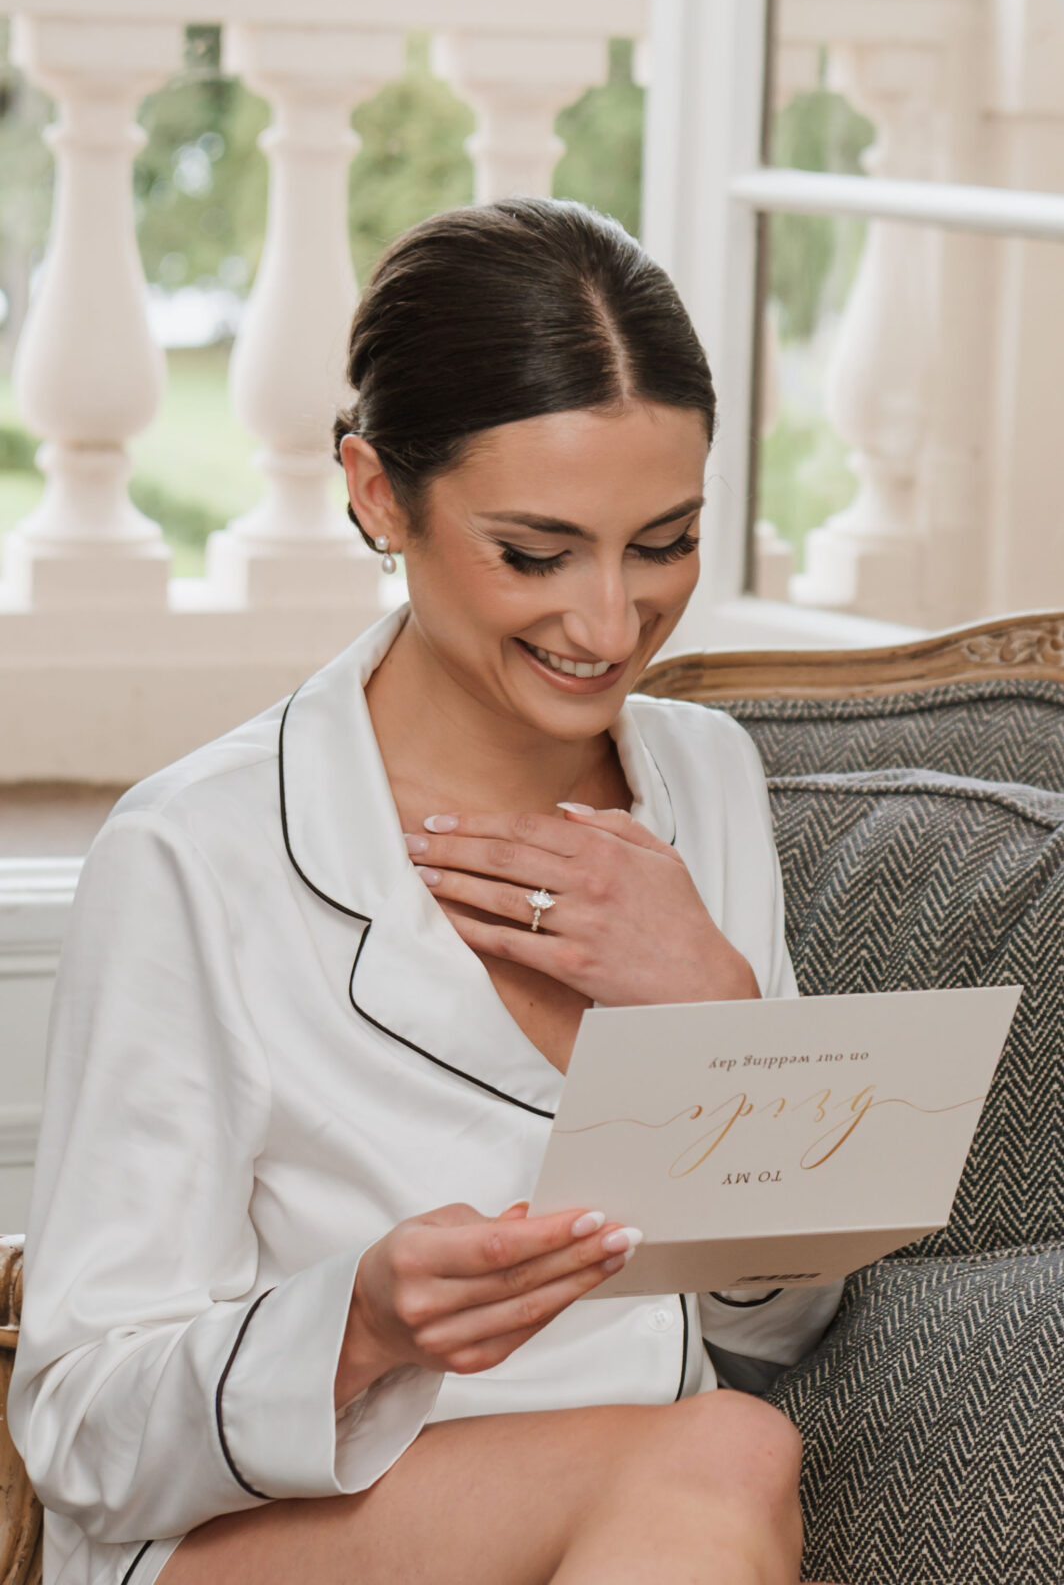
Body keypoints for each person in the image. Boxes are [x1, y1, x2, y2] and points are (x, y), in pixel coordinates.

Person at [10, 198, 846, 1585]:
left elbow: (785, 1319)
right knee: (727, 1452)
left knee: (721, 1452)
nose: (607, 625)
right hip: (264, 1539)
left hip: (652, 1528)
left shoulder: (707, 781)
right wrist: (357, 1329)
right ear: (376, 492)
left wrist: (716, 1013)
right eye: (536, 552)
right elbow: (81, 1430)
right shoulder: (194, 854)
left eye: (665, 543)